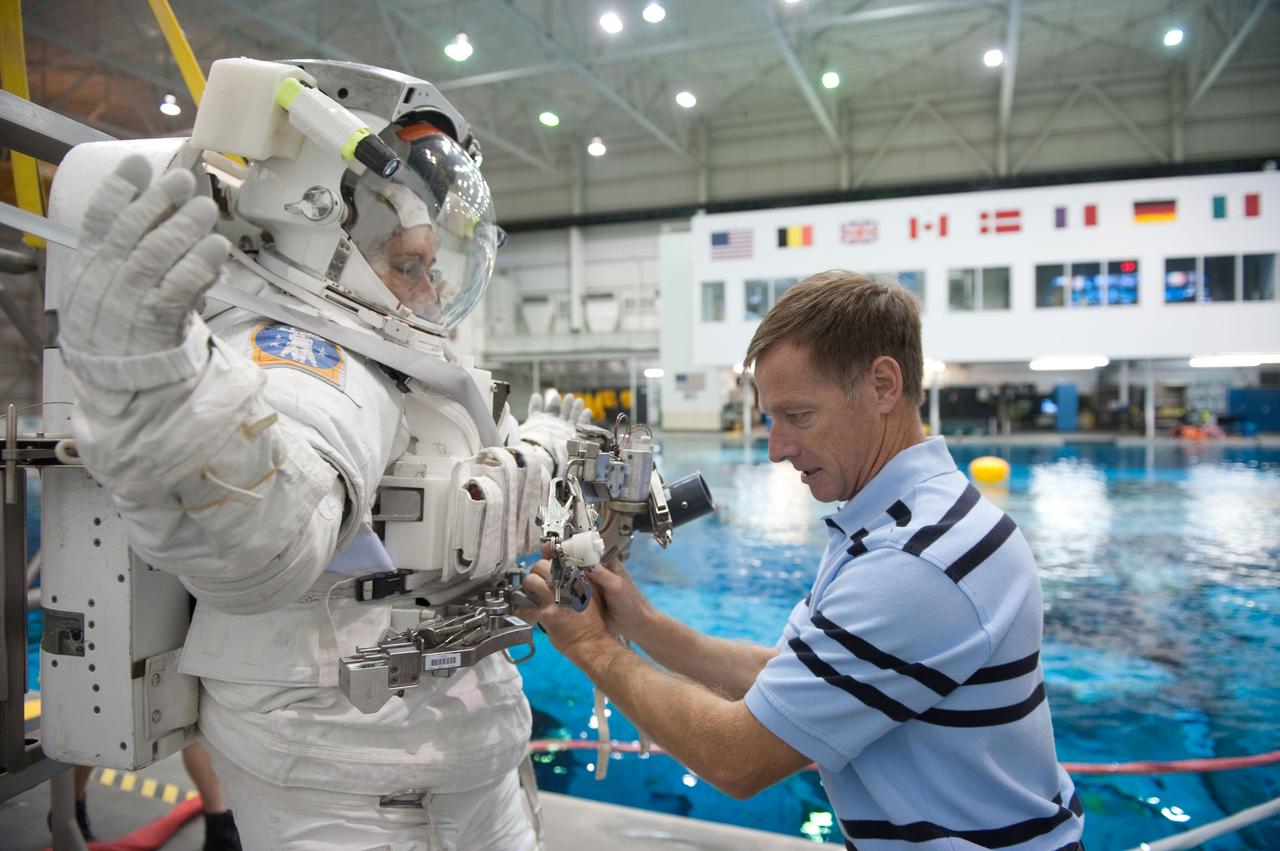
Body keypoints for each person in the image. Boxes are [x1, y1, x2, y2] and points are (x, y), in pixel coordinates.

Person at [49, 59, 582, 850]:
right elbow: (270, 536)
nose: (429, 288)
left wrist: (544, 453)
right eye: (408, 265)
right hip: (353, 782)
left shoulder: (396, 364)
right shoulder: (307, 360)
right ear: (317, 225)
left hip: (451, 757)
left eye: (430, 266)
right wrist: (173, 417)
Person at [524, 271, 1085, 850]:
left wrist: (589, 647)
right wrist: (642, 623)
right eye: (772, 418)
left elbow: (737, 756)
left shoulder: (915, 562)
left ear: (883, 385)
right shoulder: (902, 520)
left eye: (798, 416)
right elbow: (785, 677)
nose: (775, 448)